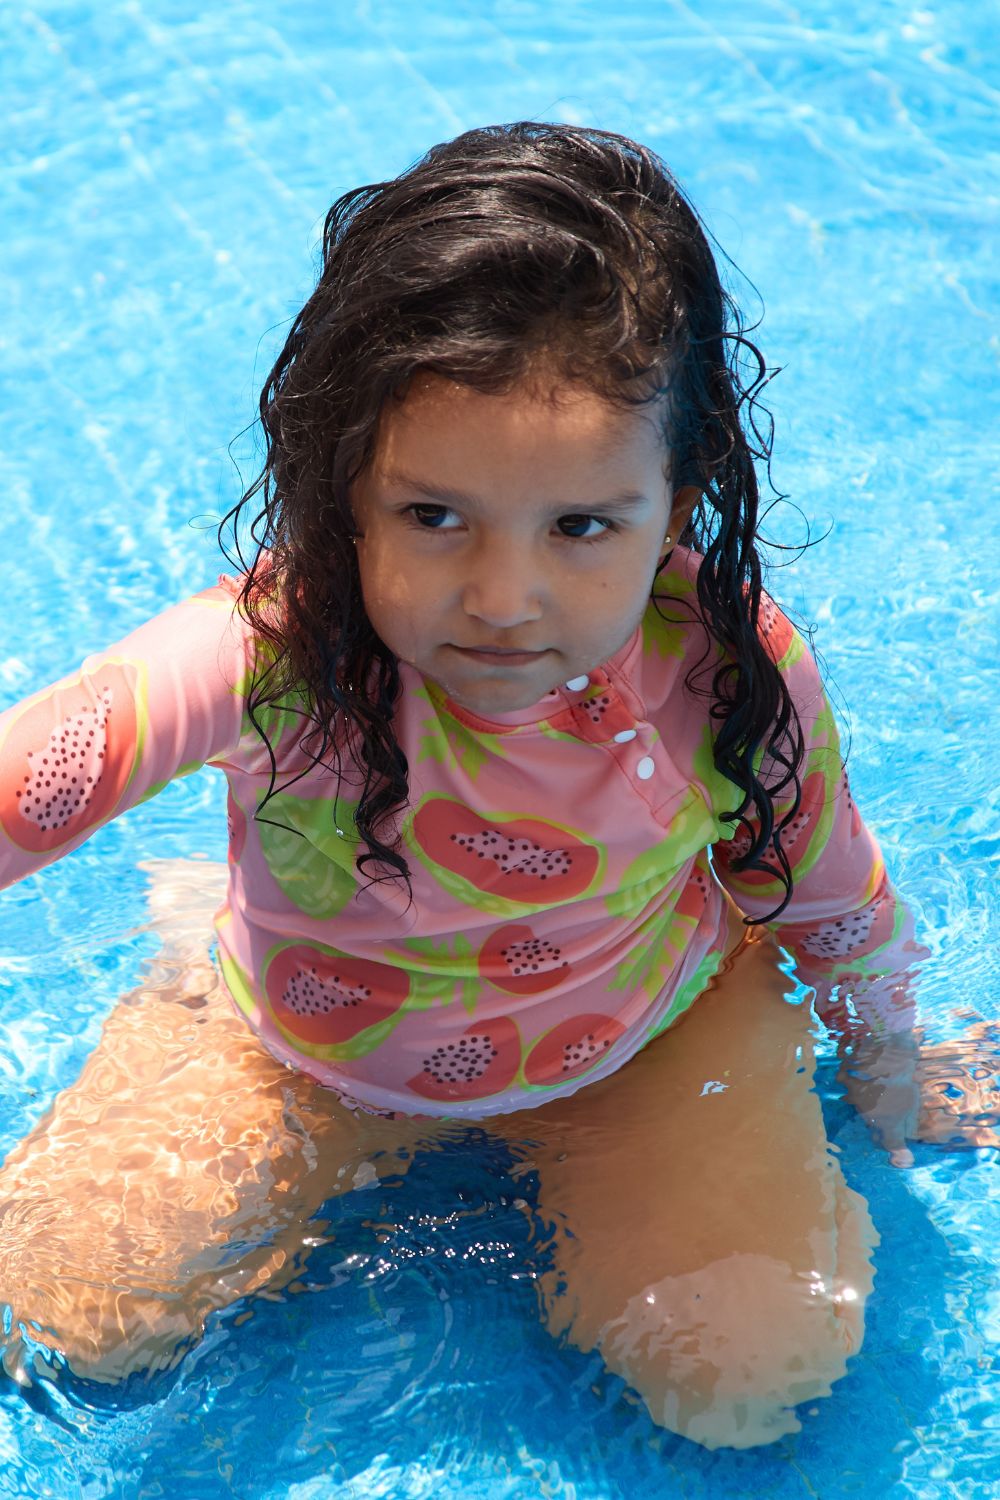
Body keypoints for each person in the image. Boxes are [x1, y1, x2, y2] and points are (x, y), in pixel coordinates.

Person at [0, 121, 990, 1451]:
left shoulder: (721, 668)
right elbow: (29, 780)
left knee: (744, 1380)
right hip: (305, 1053)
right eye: (433, 516)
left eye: (583, 527)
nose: (504, 600)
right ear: (348, 489)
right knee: (68, 1314)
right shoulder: (269, 656)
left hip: (641, 1041)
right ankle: (199, 946)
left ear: (678, 498)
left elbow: (829, 890)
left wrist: (888, 1058)